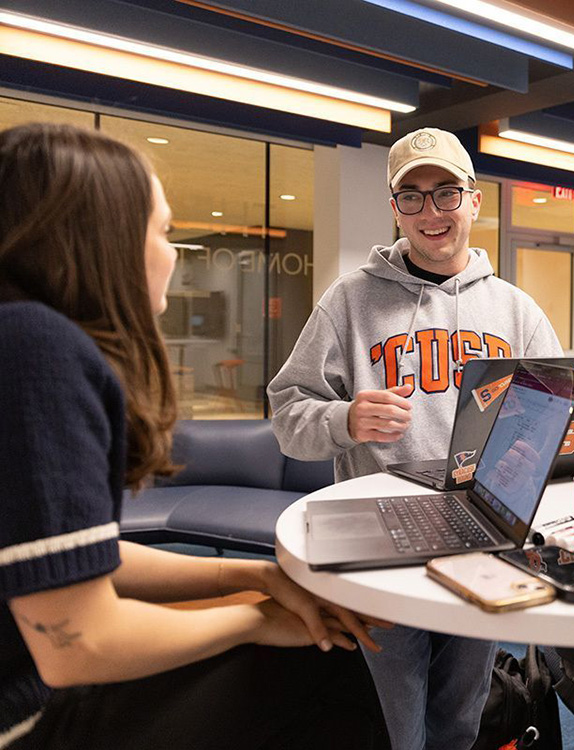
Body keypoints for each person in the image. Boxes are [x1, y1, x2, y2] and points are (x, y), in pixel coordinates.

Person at [0, 123, 390, 750]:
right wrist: (255, 621)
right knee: (323, 665)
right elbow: (78, 644)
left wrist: (255, 577)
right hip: (22, 718)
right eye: (163, 231)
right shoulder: (34, 348)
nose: (173, 254)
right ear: (104, 241)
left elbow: (80, 561)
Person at [268, 127, 561, 750]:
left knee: (461, 723)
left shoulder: (518, 312)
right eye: (412, 196)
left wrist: (535, 450)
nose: (431, 212)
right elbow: (288, 415)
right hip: (383, 542)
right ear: (395, 209)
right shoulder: (347, 303)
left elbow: (560, 425)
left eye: (446, 193)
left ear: (474, 201)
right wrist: (345, 420)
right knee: (396, 729)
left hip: (484, 537)